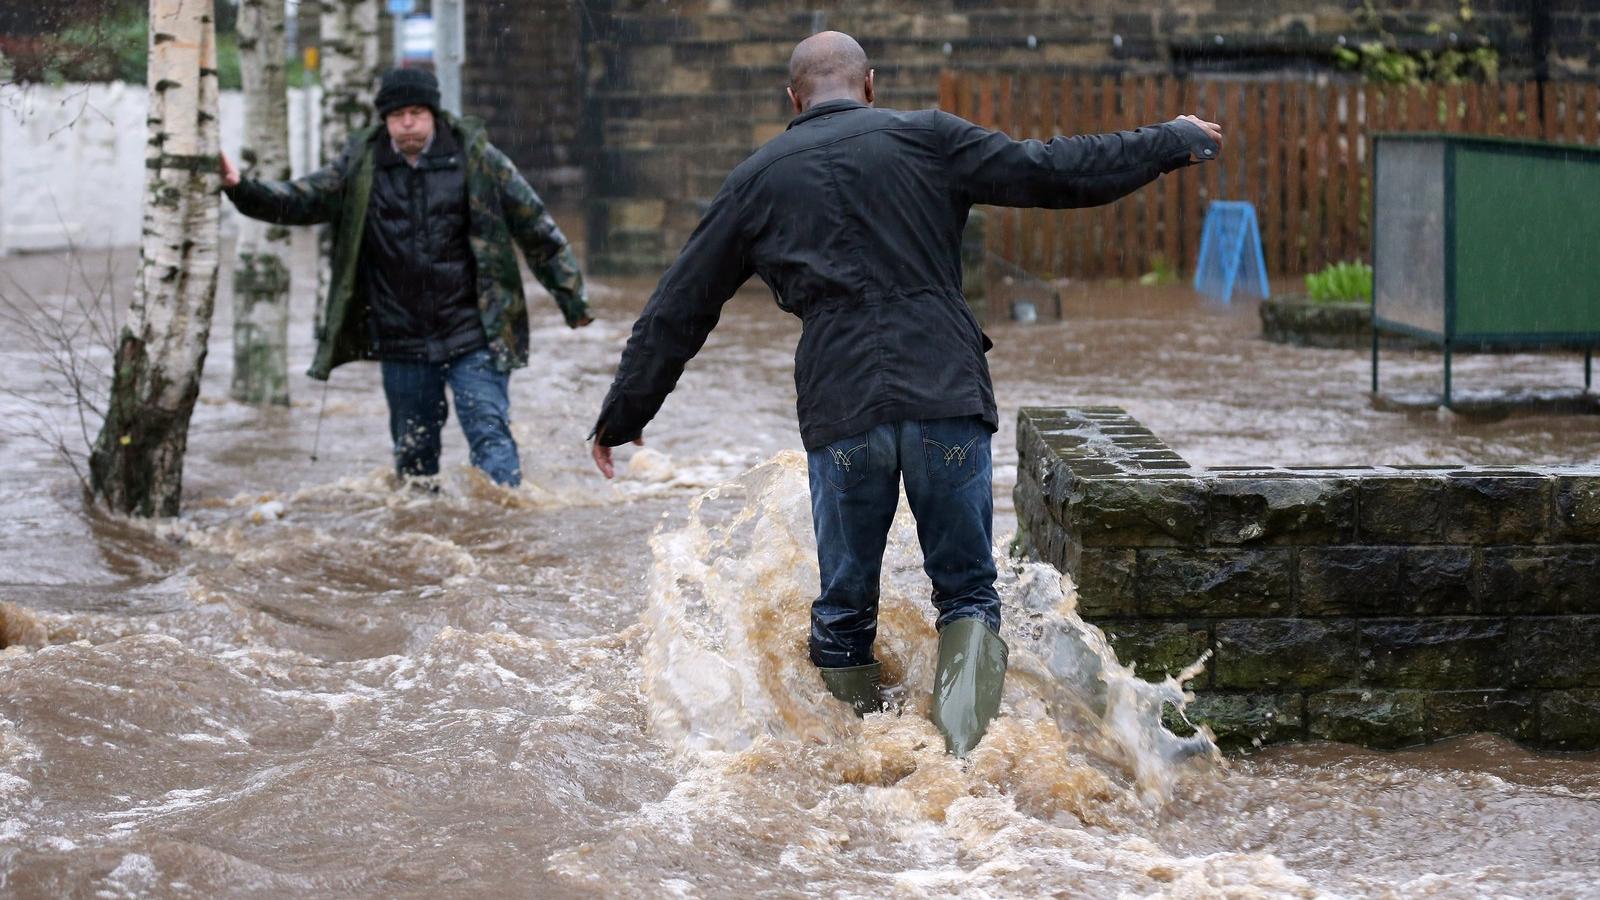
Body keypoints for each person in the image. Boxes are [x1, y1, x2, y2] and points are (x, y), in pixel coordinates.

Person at [589, 33, 1222, 756]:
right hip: (945, 392)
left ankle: (865, 769)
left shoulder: (756, 178)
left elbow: (679, 307)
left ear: (793, 99)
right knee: (968, 595)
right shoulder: (928, 137)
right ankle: (955, 771)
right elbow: (1056, 171)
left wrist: (624, 413)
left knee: (844, 612)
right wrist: (1169, 141)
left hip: (843, 406)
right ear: (869, 84)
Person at [222, 68, 590, 488]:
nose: (408, 122)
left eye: (417, 112)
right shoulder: (360, 166)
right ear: (385, 120)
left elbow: (536, 227)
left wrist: (572, 300)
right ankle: (424, 533)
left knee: (490, 436)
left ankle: (505, 527)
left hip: (475, 332)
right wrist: (240, 188)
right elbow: (301, 200)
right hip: (402, 338)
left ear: (433, 113)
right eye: (398, 115)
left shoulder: (477, 158)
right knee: (414, 457)